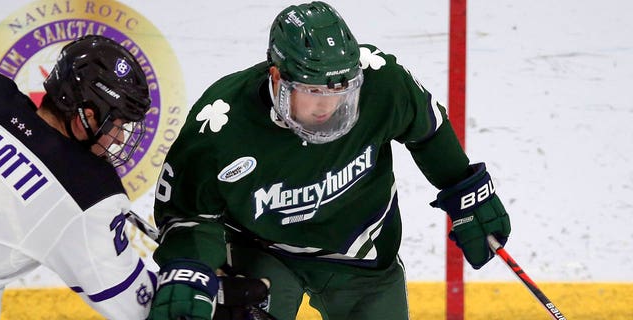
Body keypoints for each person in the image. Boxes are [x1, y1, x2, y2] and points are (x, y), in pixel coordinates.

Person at [148, 2, 511, 319]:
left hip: (364, 254)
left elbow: (426, 130)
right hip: (261, 254)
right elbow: (188, 213)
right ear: (277, 77)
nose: (327, 108)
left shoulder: (381, 80)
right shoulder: (219, 126)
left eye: (340, 94)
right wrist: (189, 267)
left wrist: (464, 187)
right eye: (312, 94)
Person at [0, 35, 156, 319]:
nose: (118, 139)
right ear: (86, 117)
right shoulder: (86, 194)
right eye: (117, 124)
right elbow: (136, 305)